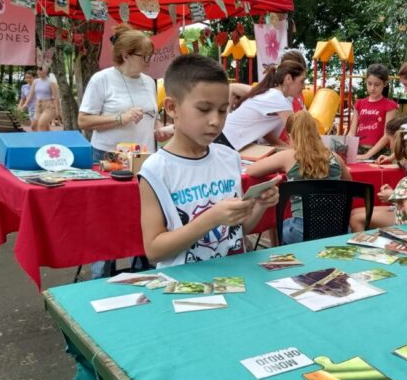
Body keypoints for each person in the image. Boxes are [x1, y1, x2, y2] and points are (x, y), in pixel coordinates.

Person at [139, 54, 279, 267]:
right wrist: (211, 219)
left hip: (233, 277)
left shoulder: (229, 157)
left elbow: (238, 231)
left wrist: (260, 205)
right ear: (172, 107)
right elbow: (154, 250)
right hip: (184, 282)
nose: (216, 121)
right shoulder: (156, 169)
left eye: (223, 110)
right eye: (204, 109)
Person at [246, 111, 351, 244]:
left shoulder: (288, 156)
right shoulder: (335, 157)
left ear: (290, 136)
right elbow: (350, 186)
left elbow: (251, 170)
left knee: (277, 224)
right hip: (339, 229)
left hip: (301, 231)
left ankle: (278, 252)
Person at [78, 23, 171, 163]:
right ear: (126, 56)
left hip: (144, 156)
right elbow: (83, 121)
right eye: (144, 56)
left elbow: (152, 117)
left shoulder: (149, 82)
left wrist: (159, 129)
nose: (149, 61)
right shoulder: (101, 79)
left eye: (150, 56)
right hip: (109, 156)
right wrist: (120, 118)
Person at [350, 115, 407, 232]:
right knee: (354, 212)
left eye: (390, 141)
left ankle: (365, 243)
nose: (390, 146)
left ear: (399, 139)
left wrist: (393, 195)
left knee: (355, 219)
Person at [217, 60, 305, 150]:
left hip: (224, 136)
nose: (304, 86)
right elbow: (296, 132)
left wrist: (286, 147)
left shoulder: (271, 93)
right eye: (302, 81)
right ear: (288, 79)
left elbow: (266, 132)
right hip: (225, 139)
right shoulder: (278, 99)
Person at [349, 63, 398, 160]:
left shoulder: (390, 105)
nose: (372, 88)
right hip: (359, 150)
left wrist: (366, 155)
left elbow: (387, 135)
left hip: (380, 152)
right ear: (366, 82)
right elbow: (352, 132)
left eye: (377, 84)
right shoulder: (359, 103)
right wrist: (346, 148)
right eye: (369, 83)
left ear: (384, 84)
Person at [23, 66, 60, 132]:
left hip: (49, 107)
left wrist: (57, 110)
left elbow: (56, 97)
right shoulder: (35, 81)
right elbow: (31, 94)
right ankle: (47, 138)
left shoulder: (51, 82)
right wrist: (25, 104)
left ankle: (43, 139)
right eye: (38, 70)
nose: (39, 71)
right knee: (34, 126)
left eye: (41, 70)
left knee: (41, 125)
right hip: (38, 107)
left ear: (46, 70)